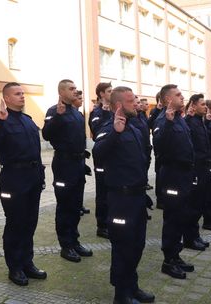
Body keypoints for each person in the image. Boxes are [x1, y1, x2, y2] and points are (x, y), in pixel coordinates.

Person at [92, 86, 155, 304]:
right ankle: (121, 294)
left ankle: (132, 286)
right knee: (123, 247)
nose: (136, 103)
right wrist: (115, 135)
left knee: (137, 245)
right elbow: (97, 155)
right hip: (120, 200)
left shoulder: (135, 128)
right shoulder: (109, 127)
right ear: (119, 105)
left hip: (136, 197)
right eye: (131, 101)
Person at [0, 82, 47, 286]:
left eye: (22, 93)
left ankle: (28, 263)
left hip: (33, 177)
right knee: (15, 223)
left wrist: (41, 177)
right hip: (13, 179)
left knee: (30, 223)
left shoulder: (28, 121)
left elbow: (36, 151)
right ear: (6, 98)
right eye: (17, 94)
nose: (22, 96)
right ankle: (15, 267)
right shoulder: (2, 120)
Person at [42, 79, 92, 262]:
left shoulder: (77, 113)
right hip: (64, 164)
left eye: (75, 88)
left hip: (78, 163)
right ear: (61, 92)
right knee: (65, 205)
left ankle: (75, 241)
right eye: (71, 89)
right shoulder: (54, 111)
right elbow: (46, 134)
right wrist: (58, 117)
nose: (75, 91)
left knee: (76, 205)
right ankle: (66, 245)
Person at [153, 84, 196, 280]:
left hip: (184, 175)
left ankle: (175, 255)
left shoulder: (179, 118)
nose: (182, 97)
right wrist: (169, 124)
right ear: (168, 99)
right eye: (178, 95)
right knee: (172, 219)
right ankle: (168, 260)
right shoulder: (164, 120)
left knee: (181, 216)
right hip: (172, 176)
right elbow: (160, 146)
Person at [185, 94, 211, 234]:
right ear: (193, 106)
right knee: (194, 204)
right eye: (202, 104)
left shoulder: (200, 121)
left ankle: (196, 233)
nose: (205, 107)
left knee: (204, 198)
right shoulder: (189, 121)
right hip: (197, 168)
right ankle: (191, 236)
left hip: (206, 165)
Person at [89, 82, 113, 239]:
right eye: (109, 91)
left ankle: (110, 221)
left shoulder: (112, 109)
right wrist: (104, 114)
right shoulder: (97, 111)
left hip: (112, 157)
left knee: (111, 191)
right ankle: (102, 225)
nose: (112, 93)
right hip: (102, 158)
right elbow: (97, 131)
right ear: (101, 94)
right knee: (103, 193)